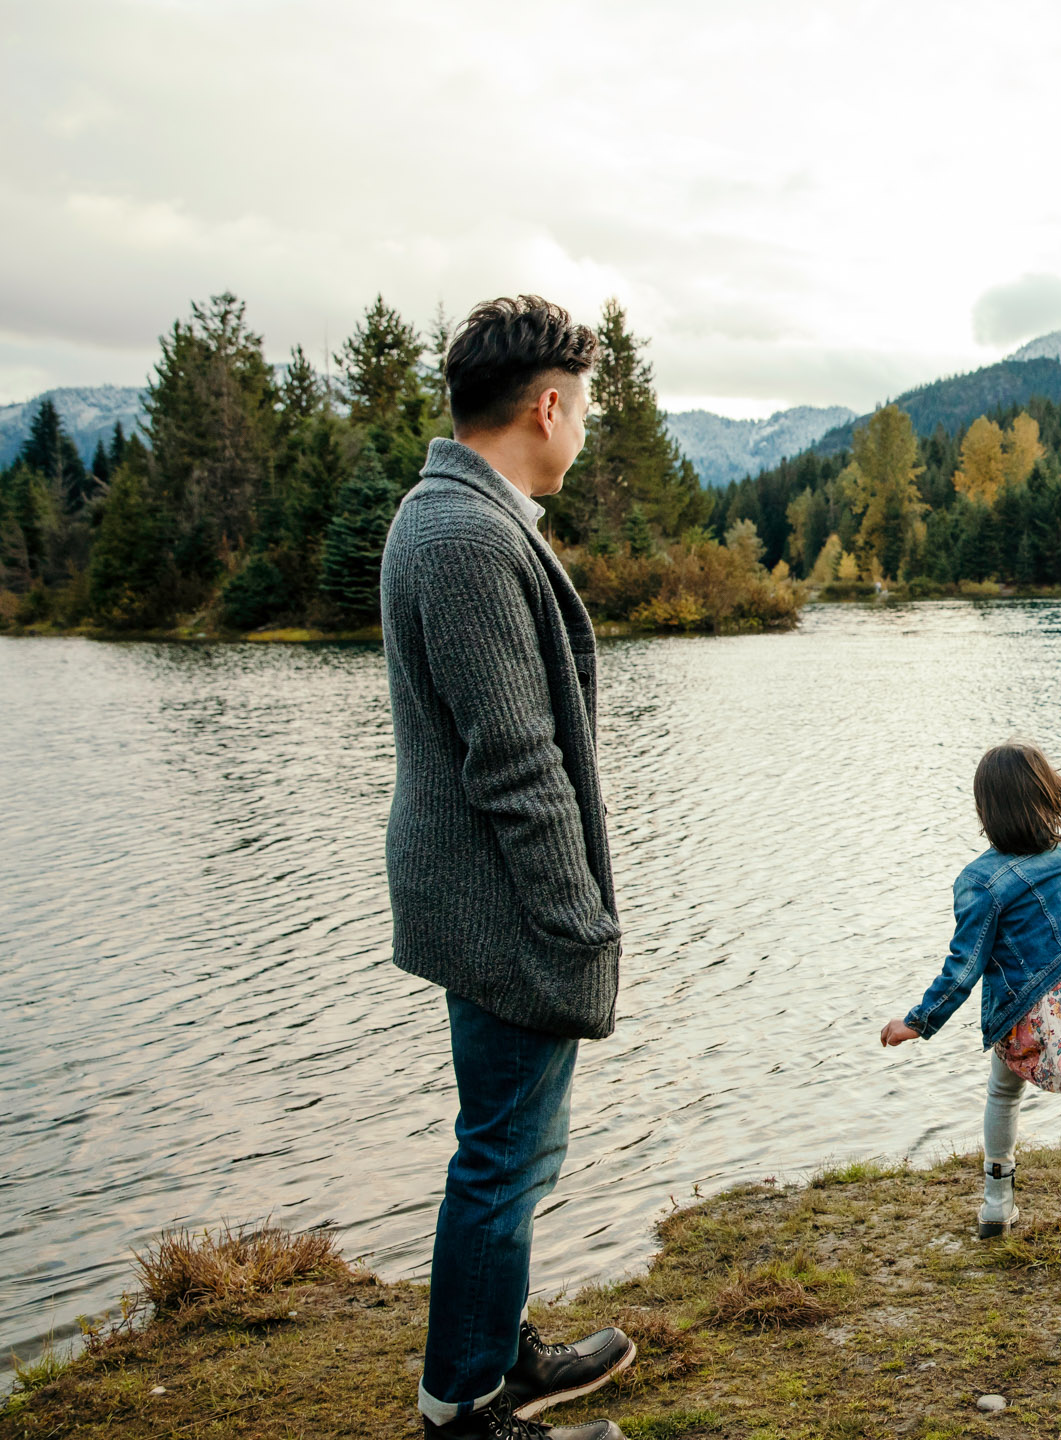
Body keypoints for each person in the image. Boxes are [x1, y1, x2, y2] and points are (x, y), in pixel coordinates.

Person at [381, 296, 636, 1440]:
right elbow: (516, 762)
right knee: (501, 1154)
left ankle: (497, 1348)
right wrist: (575, 918)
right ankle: (462, 1407)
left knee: (516, 1140)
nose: (583, 431)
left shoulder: (461, 517)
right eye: (582, 409)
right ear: (547, 405)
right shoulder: (468, 536)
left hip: (477, 891)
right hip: (501, 903)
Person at [878, 743, 1061, 1256]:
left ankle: (995, 1204)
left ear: (985, 809)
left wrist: (918, 1021)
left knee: (1002, 1095)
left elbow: (963, 967)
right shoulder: (1059, 856)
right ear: (1042, 796)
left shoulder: (978, 882)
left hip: (1028, 1010)